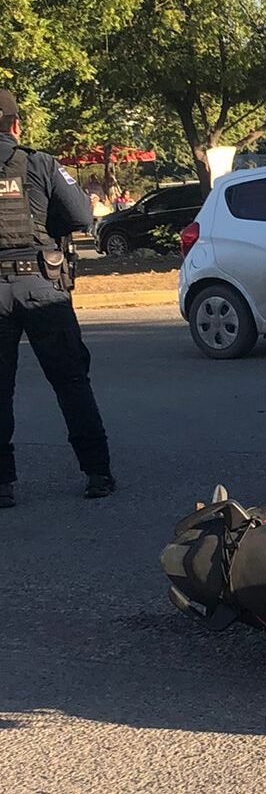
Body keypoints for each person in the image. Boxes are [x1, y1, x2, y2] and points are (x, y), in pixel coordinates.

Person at [0, 89, 115, 507]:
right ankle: (97, 473)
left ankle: (3, 484)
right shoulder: (38, 162)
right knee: (70, 382)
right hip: (41, 284)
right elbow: (83, 216)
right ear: (16, 125)